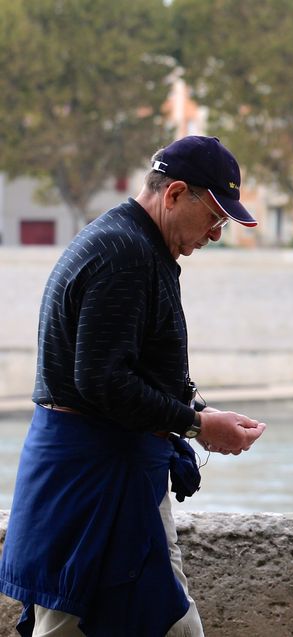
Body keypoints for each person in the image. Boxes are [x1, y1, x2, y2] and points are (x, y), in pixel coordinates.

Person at [0, 135, 268, 636]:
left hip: (108, 469)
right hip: (92, 477)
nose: (215, 234)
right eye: (214, 217)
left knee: (164, 625)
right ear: (174, 194)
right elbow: (102, 380)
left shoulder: (135, 244)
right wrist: (196, 423)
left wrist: (196, 412)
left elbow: (129, 368)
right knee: (74, 626)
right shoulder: (126, 254)